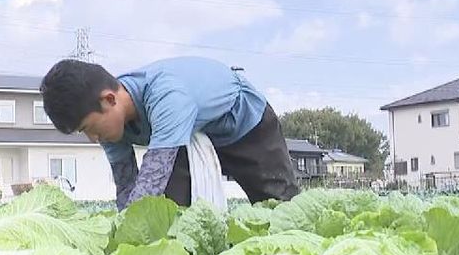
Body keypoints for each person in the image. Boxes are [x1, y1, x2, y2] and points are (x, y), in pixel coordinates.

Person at [40, 57, 300, 210]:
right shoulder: (110, 126)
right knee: (172, 211)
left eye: (89, 128)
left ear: (109, 100)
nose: (93, 139)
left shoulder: (166, 96)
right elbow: (127, 187)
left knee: (279, 207)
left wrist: (132, 230)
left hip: (245, 126)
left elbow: (152, 180)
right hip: (191, 139)